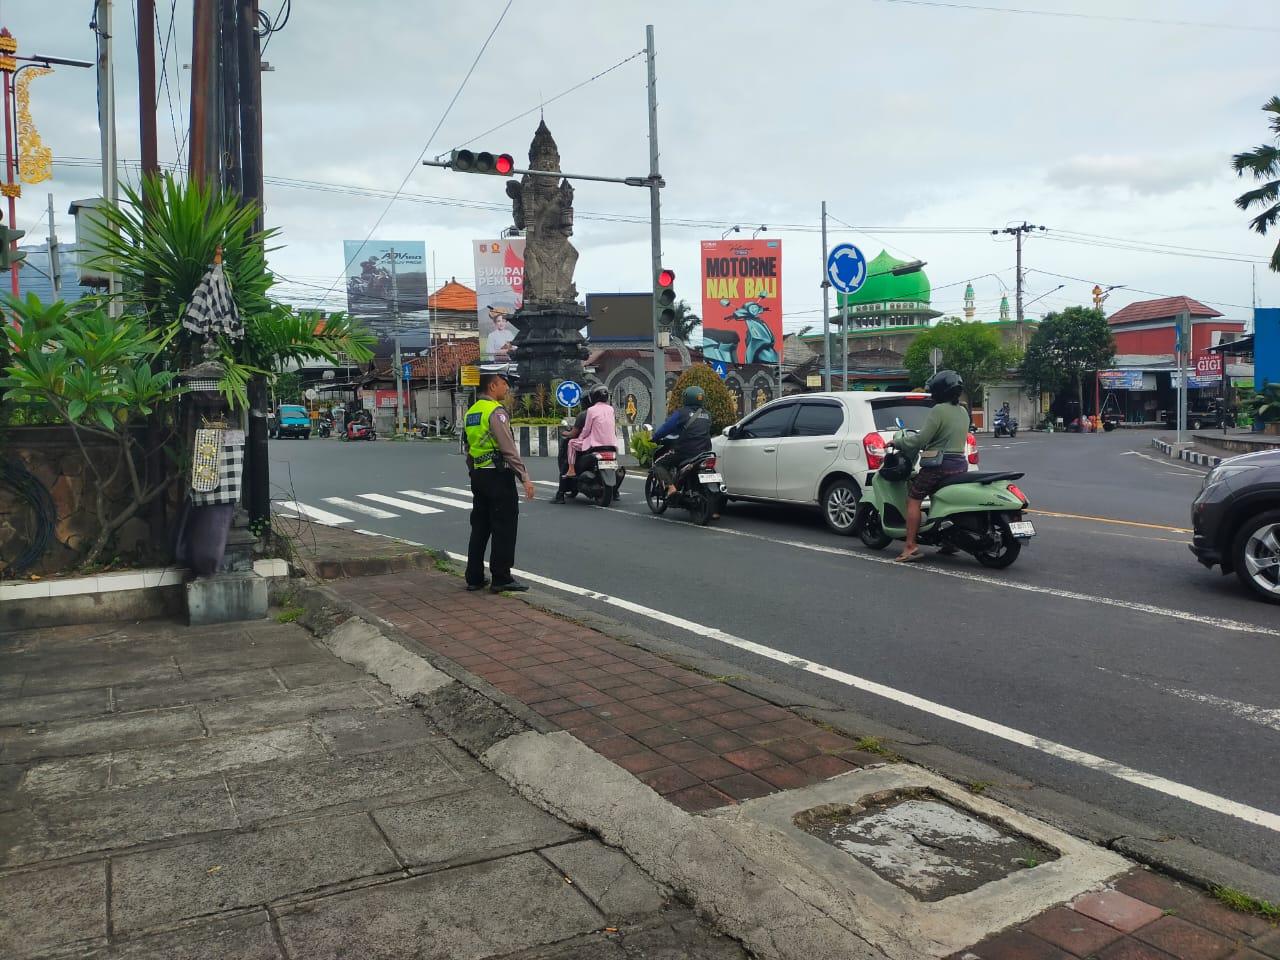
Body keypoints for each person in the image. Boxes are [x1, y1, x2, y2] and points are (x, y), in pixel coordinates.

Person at [463, 365, 536, 593]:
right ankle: (501, 577)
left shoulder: (472, 412)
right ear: (493, 385)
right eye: (504, 384)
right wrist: (524, 477)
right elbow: (508, 448)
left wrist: (474, 472)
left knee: (480, 527)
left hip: (479, 475)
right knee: (504, 526)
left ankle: (474, 577)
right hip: (498, 476)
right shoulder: (496, 412)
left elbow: (468, 448)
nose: (507, 388)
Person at [892, 369, 971, 563]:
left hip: (939, 465)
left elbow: (921, 440)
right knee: (942, 498)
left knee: (913, 499)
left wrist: (898, 443)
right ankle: (949, 541)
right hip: (960, 464)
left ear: (940, 391)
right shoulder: (963, 411)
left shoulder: (938, 410)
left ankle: (910, 546)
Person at [651, 386, 713, 498]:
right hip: (704, 452)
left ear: (686, 398)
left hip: (685, 452)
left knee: (659, 464)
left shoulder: (681, 413)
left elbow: (666, 428)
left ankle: (671, 488)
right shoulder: (708, 415)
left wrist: (655, 437)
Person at [565, 385, 617, 477]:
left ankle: (571, 470)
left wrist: (580, 438)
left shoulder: (591, 410)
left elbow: (586, 429)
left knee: (571, 443)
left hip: (595, 445)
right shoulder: (611, 409)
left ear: (593, 397)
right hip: (612, 445)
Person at [552, 407, 589, 504]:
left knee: (566, 463)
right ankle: (615, 493)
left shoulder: (586, 414)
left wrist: (566, 433)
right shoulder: (609, 412)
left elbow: (574, 434)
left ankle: (560, 495)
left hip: (588, 444)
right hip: (609, 445)